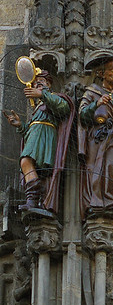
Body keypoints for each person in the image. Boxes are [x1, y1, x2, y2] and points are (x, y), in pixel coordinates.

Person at [3, 69, 73, 212]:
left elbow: (63, 109)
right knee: (28, 164)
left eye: (41, 82)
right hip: (36, 136)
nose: (37, 85)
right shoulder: (38, 108)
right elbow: (30, 130)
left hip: (45, 137)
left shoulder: (54, 98)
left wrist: (43, 94)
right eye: (35, 83)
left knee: (26, 161)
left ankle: (34, 197)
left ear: (48, 84)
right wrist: (20, 126)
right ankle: (34, 199)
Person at [78, 58, 113, 220]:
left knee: (112, 167)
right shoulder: (91, 92)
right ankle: (94, 202)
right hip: (96, 138)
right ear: (101, 74)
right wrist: (96, 104)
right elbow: (82, 115)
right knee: (94, 168)